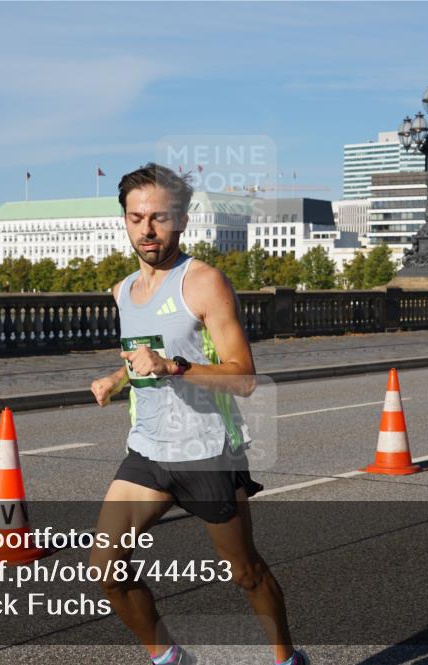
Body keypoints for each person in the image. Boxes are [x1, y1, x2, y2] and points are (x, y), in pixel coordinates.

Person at [89, 163, 309, 665]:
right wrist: (118, 378)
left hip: (207, 450)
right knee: (105, 565)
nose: (147, 229)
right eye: (135, 217)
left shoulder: (205, 281)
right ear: (124, 220)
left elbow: (245, 376)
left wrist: (174, 366)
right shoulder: (122, 291)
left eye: (159, 218)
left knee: (245, 572)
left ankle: (286, 659)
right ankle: (169, 658)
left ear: (182, 221)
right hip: (148, 450)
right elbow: (141, 355)